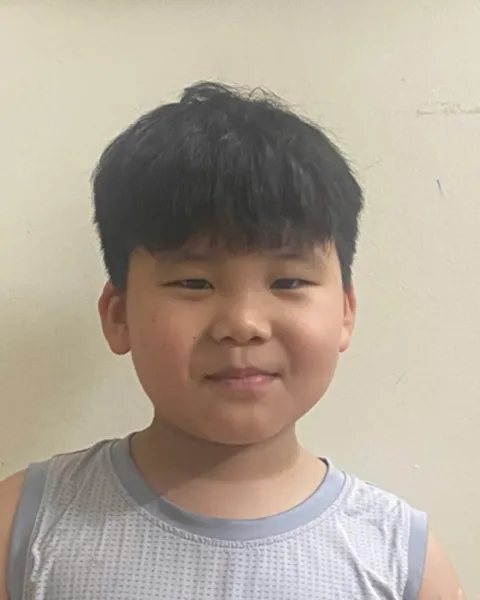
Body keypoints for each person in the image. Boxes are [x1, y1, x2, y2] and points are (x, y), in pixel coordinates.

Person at [0, 82, 464, 600]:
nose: (243, 323)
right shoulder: (22, 526)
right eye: (194, 282)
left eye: (288, 281)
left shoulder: (402, 561)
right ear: (118, 315)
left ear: (345, 313)